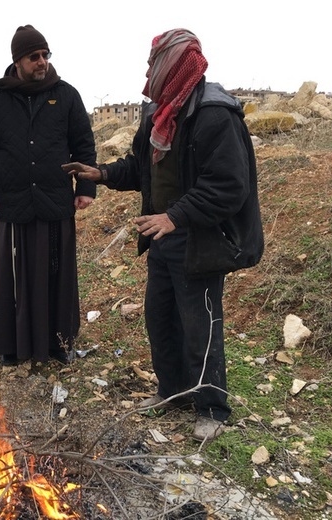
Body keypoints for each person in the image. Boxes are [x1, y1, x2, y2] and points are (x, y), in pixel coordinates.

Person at [62, 28, 264, 442]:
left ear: (174, 66)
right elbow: (142, 168)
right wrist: (100, 174)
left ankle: (212, 407)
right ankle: (173, 392)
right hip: (163, 238)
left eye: (154, 62)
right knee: (161, 320)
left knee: (200, 325)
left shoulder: (213, 114)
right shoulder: (160, 113)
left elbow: (228, 185)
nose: (147, 69)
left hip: (200, 240)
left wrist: (174, 217)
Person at [0, 25, 97, 366]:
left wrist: (85, 187)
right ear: (18, 61)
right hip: (14, 204)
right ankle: (14, 347)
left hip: (55, 202)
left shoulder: (66, 95)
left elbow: (84, 143)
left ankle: (58, 344)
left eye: (45, 55)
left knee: (58, 277)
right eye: (34, 56)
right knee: (14, 278)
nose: (41, 62)